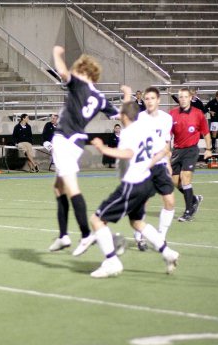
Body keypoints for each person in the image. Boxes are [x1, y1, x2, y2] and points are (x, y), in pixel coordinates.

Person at [89, 101, 179, 278]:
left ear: (124, 116)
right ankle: (167, 252)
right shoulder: (146, 129)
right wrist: (147, 165)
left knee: (97, 220)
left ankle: (112, 262)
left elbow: (128, 153)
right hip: (146, 182)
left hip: (132, 185)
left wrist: (103, 148)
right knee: (136, 223)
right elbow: (163, 150)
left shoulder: (128, 132)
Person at [48, 47, 123, 256]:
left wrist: (56, 53)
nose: (75, 72)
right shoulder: (100, 97)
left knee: (71, 188)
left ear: (84, 72)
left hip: (65, 138)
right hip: (78, 140)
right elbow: (119, 115)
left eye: (78, 69)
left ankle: (85, 234)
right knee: (58, 187)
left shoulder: (79, 83)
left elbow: (63, 72)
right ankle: (63, 236)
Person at [131, 86, 175, 250]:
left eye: (152, 98)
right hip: (144, 165)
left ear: (158, 100)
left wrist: (168, 163)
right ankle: (139, 235)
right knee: (145, 202)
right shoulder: (139, 118)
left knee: (169, 201)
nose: (149, 101)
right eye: (146, 98)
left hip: (161, 163)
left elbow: (165, 141)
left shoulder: (166, 118)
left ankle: (161, 237)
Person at [170, 87, 212, 222]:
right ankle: (194, 199)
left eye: (185, 97)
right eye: (180, 97)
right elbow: (167, 134)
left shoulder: (198, 113)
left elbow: (206, 133)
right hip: (177, 151)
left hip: (191, 150)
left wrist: (208, 149)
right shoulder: (172, 114)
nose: (182, 99)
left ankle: (189, 211)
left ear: (190, 98)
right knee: (175, 182)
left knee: (185, 177)